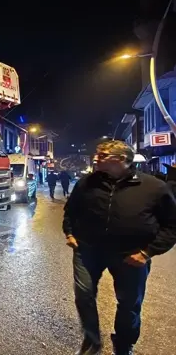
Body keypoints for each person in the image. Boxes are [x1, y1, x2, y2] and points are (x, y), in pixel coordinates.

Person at [63, 140, 176, 355]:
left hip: (131, 255)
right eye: (97, 154)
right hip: (88, 250)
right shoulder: (86, 183)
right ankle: (92, 339)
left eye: (103, 155)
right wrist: (69, 233)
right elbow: (71, 210)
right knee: (84, 294)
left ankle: (124, 344)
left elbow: (171, 225)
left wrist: (147, 252)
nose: (97, 158)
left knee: (129, 304)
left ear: (122, 159)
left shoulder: (153, 187)